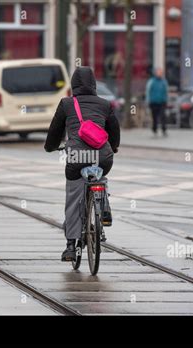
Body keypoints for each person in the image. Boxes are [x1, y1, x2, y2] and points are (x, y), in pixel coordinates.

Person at [44, 67, 120, 261]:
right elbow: (114, 130)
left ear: (73, 85)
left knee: (73, 197)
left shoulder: (67, 104)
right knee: (100, 177)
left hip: (77, 158)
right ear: (94, 84)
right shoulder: (105, 104)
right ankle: (103, 207)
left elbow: (55, 130)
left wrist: (51, 147)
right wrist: (114, 148)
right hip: (103, 156)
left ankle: (70, 246)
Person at [145, 67, 168, 136]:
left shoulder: (164, 82)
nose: (160, 74)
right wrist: (148, 101)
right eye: (158, 72)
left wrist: (166, 100)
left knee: (163, 116)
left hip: (162, 102)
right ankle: (154, 129)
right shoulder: (151, 81)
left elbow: (166, 91)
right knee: (154, 117)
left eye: (161, 72)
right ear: (155, 73)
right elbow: (148, 91)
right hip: (153, 102)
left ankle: (164, 129)